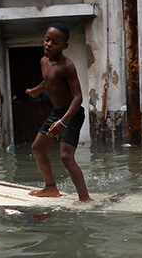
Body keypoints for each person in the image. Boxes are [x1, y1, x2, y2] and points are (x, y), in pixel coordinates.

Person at [25, 23, 92, 202]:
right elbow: (48, 82)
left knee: (66, 157)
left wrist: (63, 122)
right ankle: (50, 188)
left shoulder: (67, 66)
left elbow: (78, 97)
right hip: (57, 113)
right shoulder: (43, 62)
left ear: (64, 46)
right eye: (47, 39)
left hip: (72, 113)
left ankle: (85, 199)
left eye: (55, 42)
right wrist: (35, 91)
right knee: (37, 148)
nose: (48, 44)